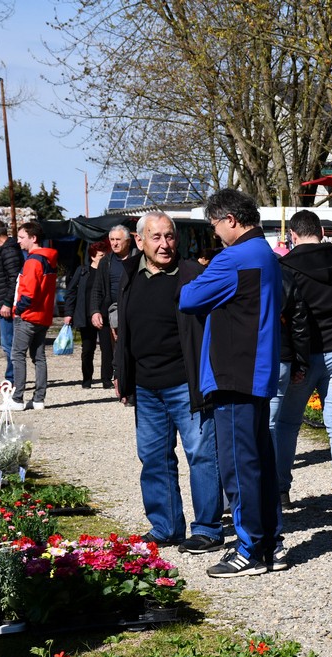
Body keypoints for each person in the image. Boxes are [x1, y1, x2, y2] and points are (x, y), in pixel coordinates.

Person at [180, 189, 284, 578]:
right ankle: (270, 541)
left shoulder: (235, 257)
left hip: (233, 371)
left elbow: (189, 298)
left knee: (239, 467)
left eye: (215, 225)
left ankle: (249, 549)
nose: (215, 233)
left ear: (230, 220)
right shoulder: (266, 255)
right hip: (255, 369)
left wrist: (203, 272)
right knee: (260, 461)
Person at [115, 211, 224, 554]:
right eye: (156, 237)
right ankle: (166, 526)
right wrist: (122, 373)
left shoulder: (193, 274)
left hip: (185, 384)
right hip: (147, 387)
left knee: (202, 455)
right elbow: (126, 333)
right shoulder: (131, 274)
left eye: (170, 237)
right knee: (153, 457)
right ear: (140, 242)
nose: (165, 244)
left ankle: (207, 528)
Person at [271, 210, 332, 518]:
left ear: (293, 236)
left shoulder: (286, 267)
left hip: (306, 353)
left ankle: (282, 490)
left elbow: (287, 317)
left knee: (287, 424)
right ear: (322, 231)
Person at [0, 222, 58, 411]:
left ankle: (17, 399)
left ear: (33, 238)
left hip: (28, 316)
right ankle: (39, 398)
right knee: (38, 357)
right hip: (44, 315)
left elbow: (29, 293)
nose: (18, 241)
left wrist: (18, 310)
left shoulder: (33, 261)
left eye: (22, 237)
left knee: (17, 355)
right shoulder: (48, 259)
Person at [64, 240, 112, 388]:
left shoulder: (108, 271)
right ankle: (87, 379)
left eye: (105, 255)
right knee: (87, 349)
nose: (103, 258)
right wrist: (68, 313)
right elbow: (71, 291)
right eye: (100, 255)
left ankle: (106, 379)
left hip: (104, 315)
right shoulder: (83, 271)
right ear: (92, 256)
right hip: (85, 315)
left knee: (107, 348)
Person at [90, 226, 135, 385]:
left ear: (128, 241)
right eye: (112, 240)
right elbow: (97, 288)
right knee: (118, 345)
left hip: (135, 307)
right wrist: (95, 311)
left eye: (118, 240)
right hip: (113, 308)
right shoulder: (106, 262)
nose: (114, 243)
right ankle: (120, 377)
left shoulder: (138, 258)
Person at [0, 220, 24, 384]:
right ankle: (12, 378)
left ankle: (13, 380)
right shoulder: (6, 251)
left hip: (7, 306)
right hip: (3, 304)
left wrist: (7, 303)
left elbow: (14, 279)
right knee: (8, 344)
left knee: (9, 345)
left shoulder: (8, 252)